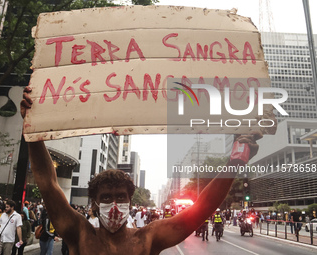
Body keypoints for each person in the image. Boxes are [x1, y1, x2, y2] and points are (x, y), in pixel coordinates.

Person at [21, 86, 261, 254]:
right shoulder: (78, 232)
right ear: (94, 203)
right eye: (106, 197)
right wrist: (32, 130)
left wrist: (237, 161)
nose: (114, 204)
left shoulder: (147, 238)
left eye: (120, 197)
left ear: (129, 199)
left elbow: (201, 209)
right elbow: (48, 183)